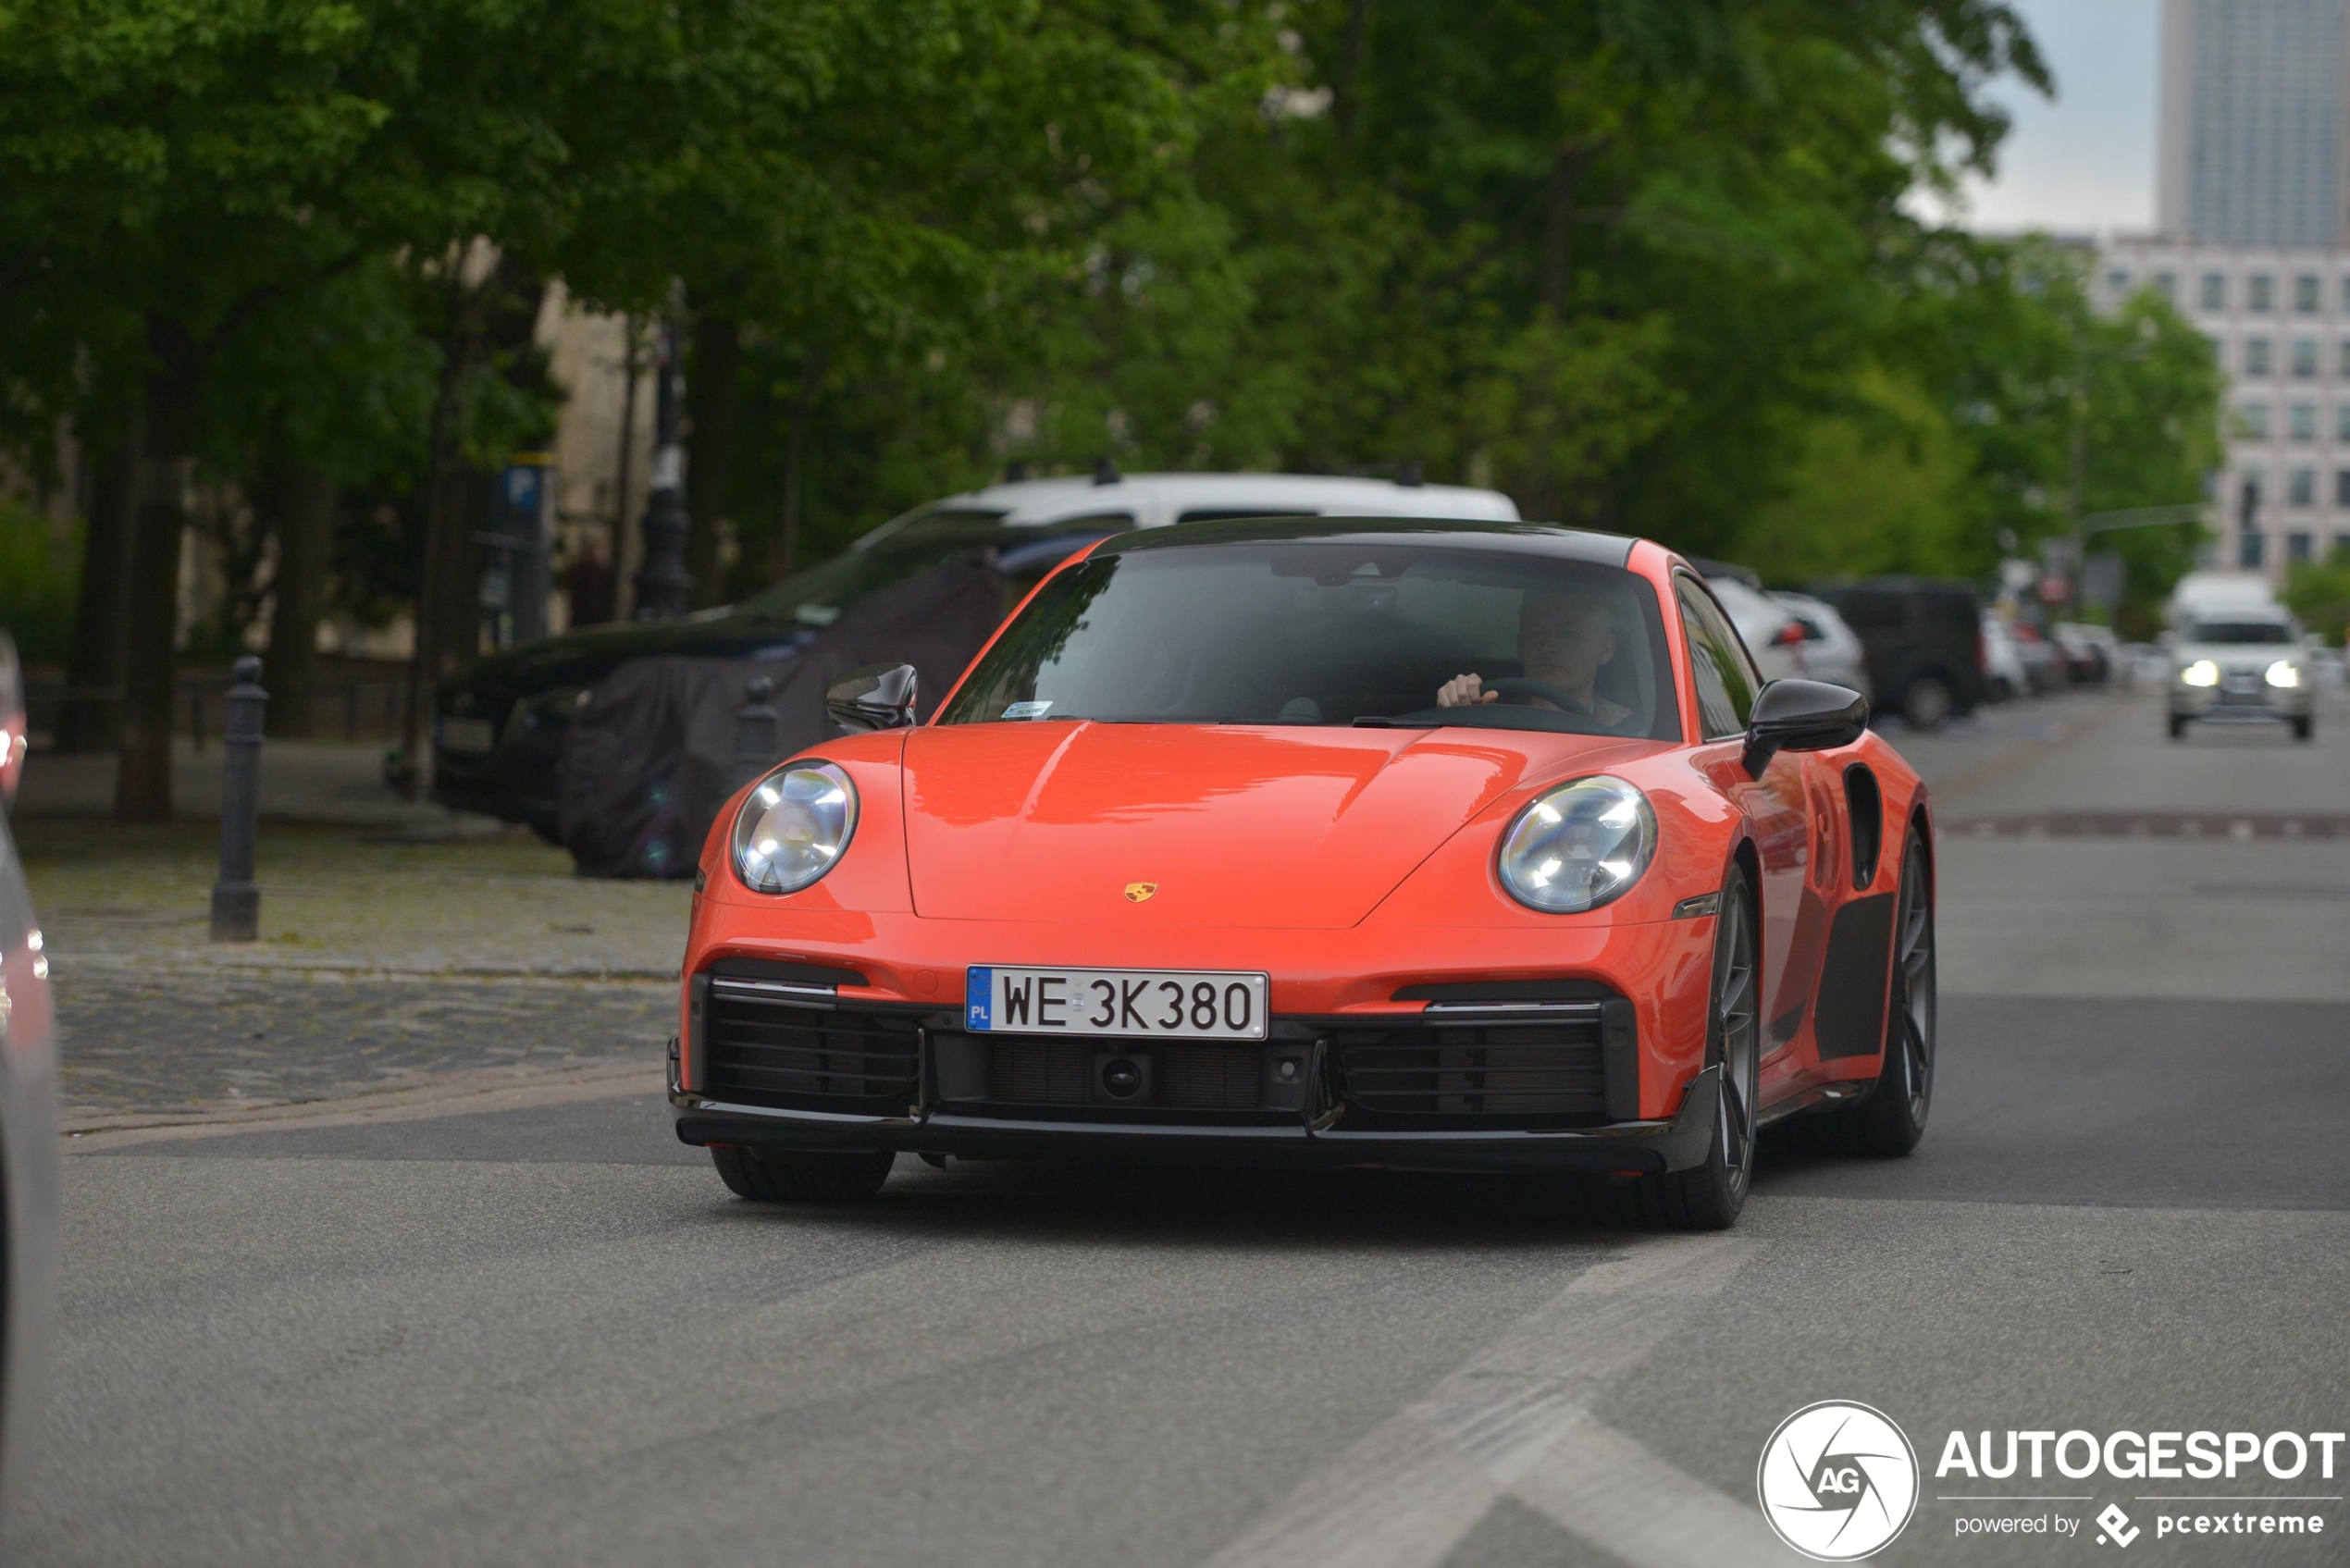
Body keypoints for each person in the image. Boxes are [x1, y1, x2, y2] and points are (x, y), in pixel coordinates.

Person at [1436, 586, 1633, 726]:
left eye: (1567, 634)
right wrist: (1458, 708)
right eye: (1536, 633)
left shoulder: (1632, 729)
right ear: (1520, 646)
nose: (1548, 647)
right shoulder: (1489, 716)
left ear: (1606, 649)